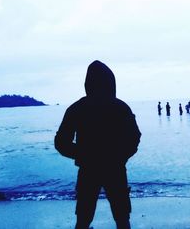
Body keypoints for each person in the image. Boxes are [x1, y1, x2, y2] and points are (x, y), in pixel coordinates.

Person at [55, 60, 141, 229]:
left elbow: (61, 143)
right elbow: (134, 138)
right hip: (115, 168)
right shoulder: (120, 107)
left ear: (88, 83)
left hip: (88, 169)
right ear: (111, 82)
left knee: (83, 218)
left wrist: (82, 154)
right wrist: (120, 155)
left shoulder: (77, 108)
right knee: (122, 218)